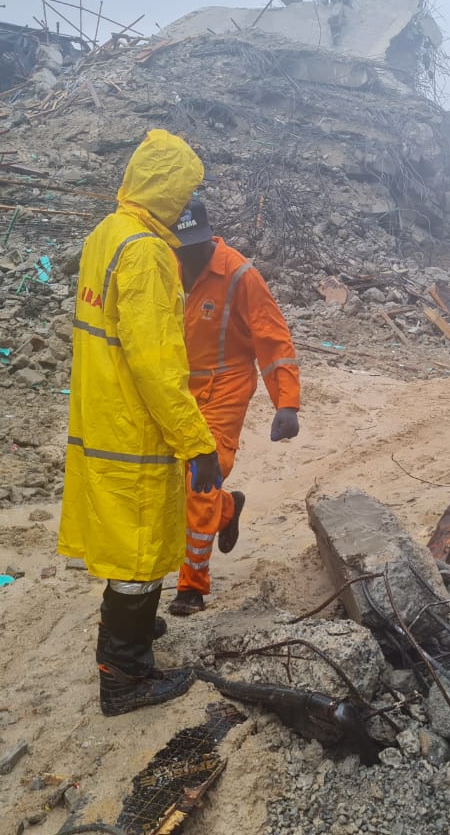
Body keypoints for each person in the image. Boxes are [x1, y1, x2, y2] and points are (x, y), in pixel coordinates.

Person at [58, 129, 223, 717]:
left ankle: (134, 634)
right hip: (137, 429)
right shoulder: (148, 253)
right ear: (167, 189)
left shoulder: (108, 234)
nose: (186, 204)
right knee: (142, 551)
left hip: (102, 419)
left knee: (130, 541)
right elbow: (156, 365)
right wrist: (196, 443)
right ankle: (125, 677)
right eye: (185, 191)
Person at [166, 197, 301, 616]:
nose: (189, 254)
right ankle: (228, 507)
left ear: (209, 235)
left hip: (225, 390)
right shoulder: (165, 267)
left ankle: (192, 585)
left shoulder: (241, 276)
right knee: (168, 478)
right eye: (181, 245)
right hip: (176, 390)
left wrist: (287, 403)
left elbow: (274, 341)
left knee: (200, 480)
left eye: (195, 244)